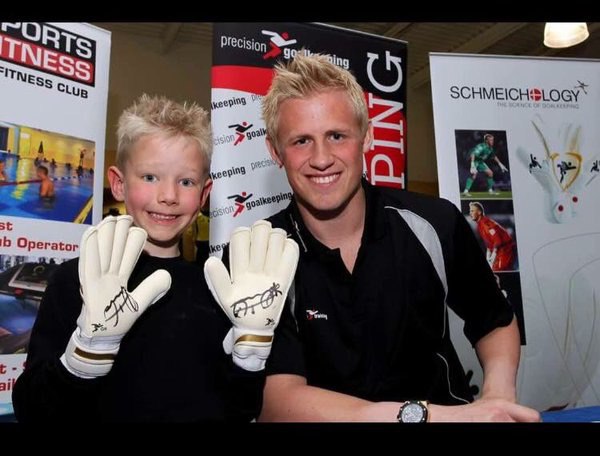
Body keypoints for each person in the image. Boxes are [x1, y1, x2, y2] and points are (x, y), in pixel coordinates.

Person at [258, 52, 540, 422]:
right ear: (275, 151)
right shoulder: (260, 255)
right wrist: (425, 417)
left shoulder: (434, 223)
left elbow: (494, 319)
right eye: (300, 141)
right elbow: (278, 400)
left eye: (337, 135)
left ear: (367, 136)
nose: (322, 158)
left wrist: (497, 398)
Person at [13, 94, 297, 422]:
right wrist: (85, 356)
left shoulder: (222, 290)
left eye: (186, 181)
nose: (168, 196)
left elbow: (241, 409)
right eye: (150, 177)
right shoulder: (74, 281)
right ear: (118, 184)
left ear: (204, 194)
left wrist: (250, 360)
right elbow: (32, 411)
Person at [468, 202, 516, 272]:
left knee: (500, 271)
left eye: (472, 211)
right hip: (499, 248)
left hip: (506, 249)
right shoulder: (480, 225)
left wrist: (493, 256)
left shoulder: (486, 225)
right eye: (470, 211)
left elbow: (498, 241)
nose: (470, 213)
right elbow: (489, 243)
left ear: (479, 212)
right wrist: (488, 257)